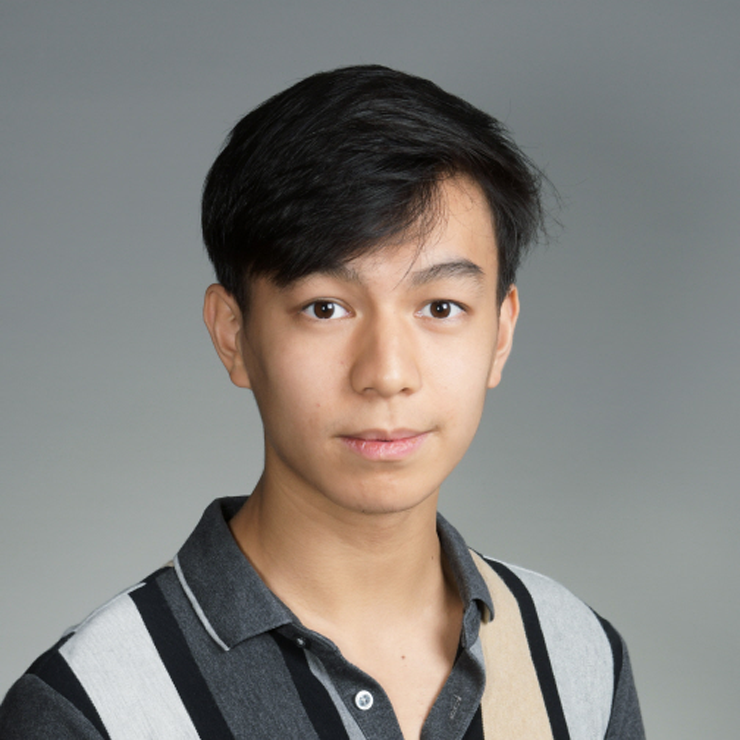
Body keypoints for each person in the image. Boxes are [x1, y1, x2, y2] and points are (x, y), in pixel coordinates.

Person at [0, 65, 645, 739]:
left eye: (440, 307)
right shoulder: (90, 707)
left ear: (501, 333)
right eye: (326, 308)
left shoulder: (578, 660)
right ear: (233, 334)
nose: (386, 374)